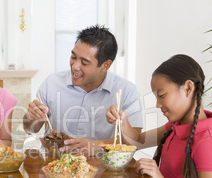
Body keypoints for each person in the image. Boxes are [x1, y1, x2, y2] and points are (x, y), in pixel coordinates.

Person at [106, 54, 212, 178]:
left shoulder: (208, 143)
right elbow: (137, 141)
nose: (158, 105)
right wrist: (122, 120)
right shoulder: (176, 125)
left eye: (162, 95)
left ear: (188, 88)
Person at [23, 24, 142, 156]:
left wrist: (97, 145)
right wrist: (31, 117)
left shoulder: (125, 91)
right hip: (55, 165)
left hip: (102, 168)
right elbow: (30, 129)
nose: (75, 66)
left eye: (84, 63)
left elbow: (135, 141)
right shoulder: (52, 83)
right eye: (73, 57)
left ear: (105, 65)